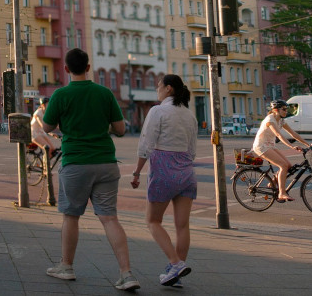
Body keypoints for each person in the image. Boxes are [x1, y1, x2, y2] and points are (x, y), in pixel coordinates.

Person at [41, 48, 138, 291]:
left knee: (71, 216)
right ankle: (126, 274)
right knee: (109, 218)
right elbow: (120, 129)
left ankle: (66, 266)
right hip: (106, 162)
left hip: (76, 163)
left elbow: (47, 125)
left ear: (66, 69)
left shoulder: (60, 95)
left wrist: (62, 123)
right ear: (87, 67)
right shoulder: (104, 93)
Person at [130, 74, 198, 287]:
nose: (157, 90)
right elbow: (192, 150)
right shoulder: (190, 115)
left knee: (152, 221)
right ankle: (174, 273)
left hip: (163, 169)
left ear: (168, 88)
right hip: (186, 171)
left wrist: (137, 171)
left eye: (159, 86)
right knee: (182, 225)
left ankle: (175, 263)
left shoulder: (158, 111)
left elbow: (146, 143)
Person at [252, 99, 312, 202]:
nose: (286, 111)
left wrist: (308, 144)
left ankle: (271, 183)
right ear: (276, 110)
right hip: (261, 147)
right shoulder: (270, 120)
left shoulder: (281, 121)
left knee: (288, 165)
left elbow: (293, 134)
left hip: (270, 146)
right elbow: (278, 135)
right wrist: (291, 146)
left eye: (286, 109)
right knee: (283, 166)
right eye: (284, 109)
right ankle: (281, 193)